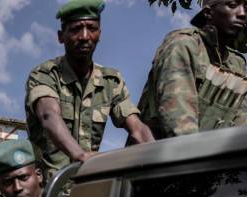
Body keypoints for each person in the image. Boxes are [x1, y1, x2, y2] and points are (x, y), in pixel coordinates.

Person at [25, 0, 153, 180]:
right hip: (48, 190)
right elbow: (49, 116)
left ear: (99, 34)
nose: (84, 36)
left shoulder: (111, 81)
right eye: (76, 29)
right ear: (61, 36)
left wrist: (156, 155)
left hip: (85, 184)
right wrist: (81, 156)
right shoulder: (45, 74)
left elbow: (137, 128)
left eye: (91, 28)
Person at [138, 0, 247, 139]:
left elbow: (240, 122)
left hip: (211, 154)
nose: (242, 14)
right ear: (208, 13)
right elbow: (178, 119)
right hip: (162, 153)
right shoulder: (183, 44)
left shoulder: (237, 63)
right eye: (232, 5)